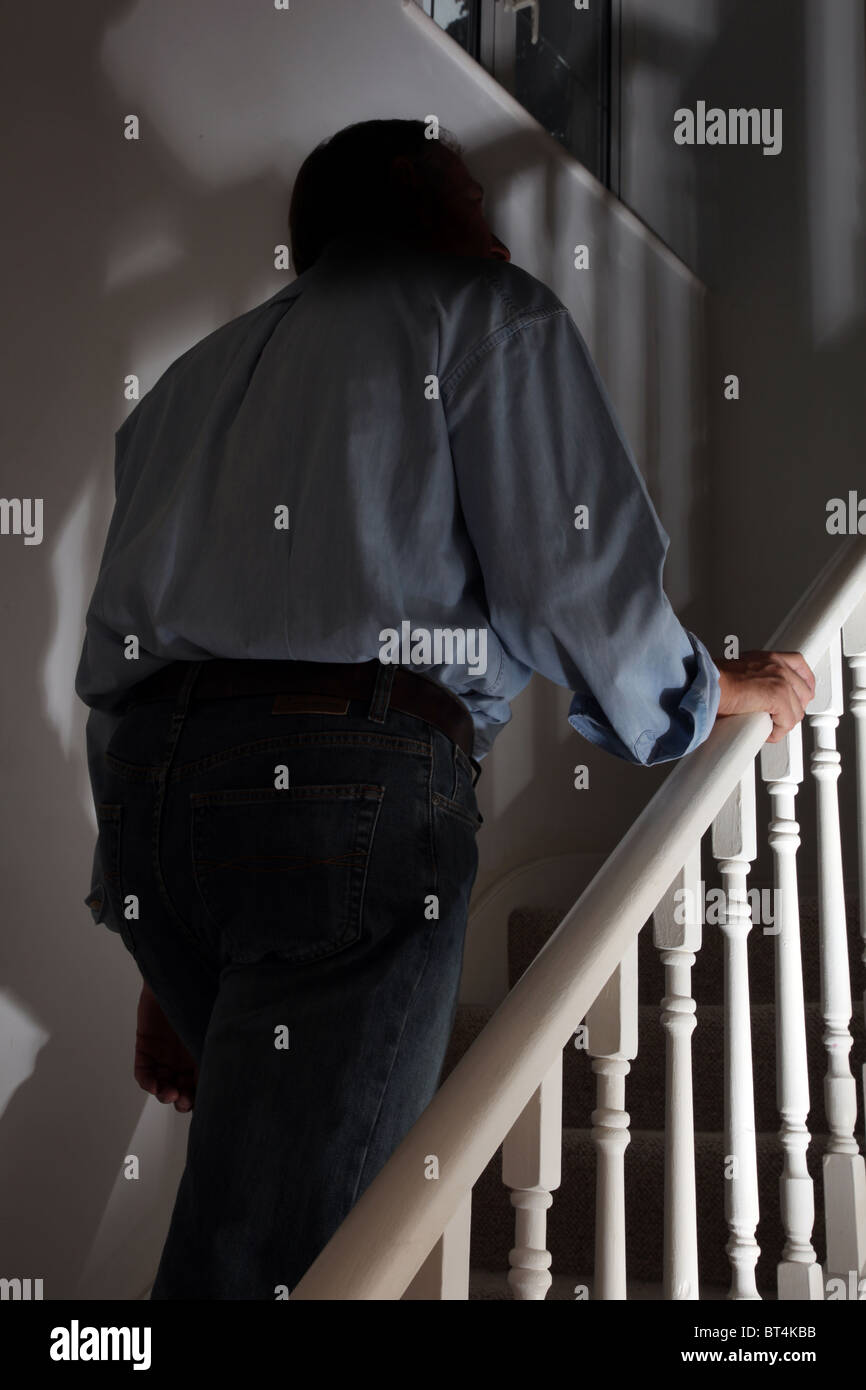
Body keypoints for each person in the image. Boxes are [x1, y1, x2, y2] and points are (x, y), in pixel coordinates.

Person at [74, 118, 814, 1299]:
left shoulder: (185, 385)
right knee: (296, 1257)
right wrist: (723, 688)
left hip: (161, 807)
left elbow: (127, 656)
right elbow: (576, 591)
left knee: (250, 1228)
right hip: (345, 795)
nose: (494, 216)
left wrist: (156, 946)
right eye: (471, 188)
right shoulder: (486, 313)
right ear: (424, 202)